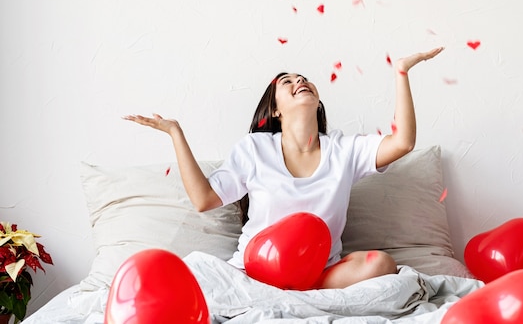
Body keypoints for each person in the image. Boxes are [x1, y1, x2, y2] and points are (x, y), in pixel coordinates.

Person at [123, 46, 444, 289]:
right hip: (255, 272)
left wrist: (401, 72)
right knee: (179, 277)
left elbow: (402, 143)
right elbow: (203, 199)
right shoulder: (255, 148)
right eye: (287, 81)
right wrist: (175, 133)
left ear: (317, 100)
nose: (300, 81)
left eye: (303, 79)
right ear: (275, 109)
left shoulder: (343, 149)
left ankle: (299, 291)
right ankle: (277, 290)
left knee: (381, 264)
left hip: (319, 274)